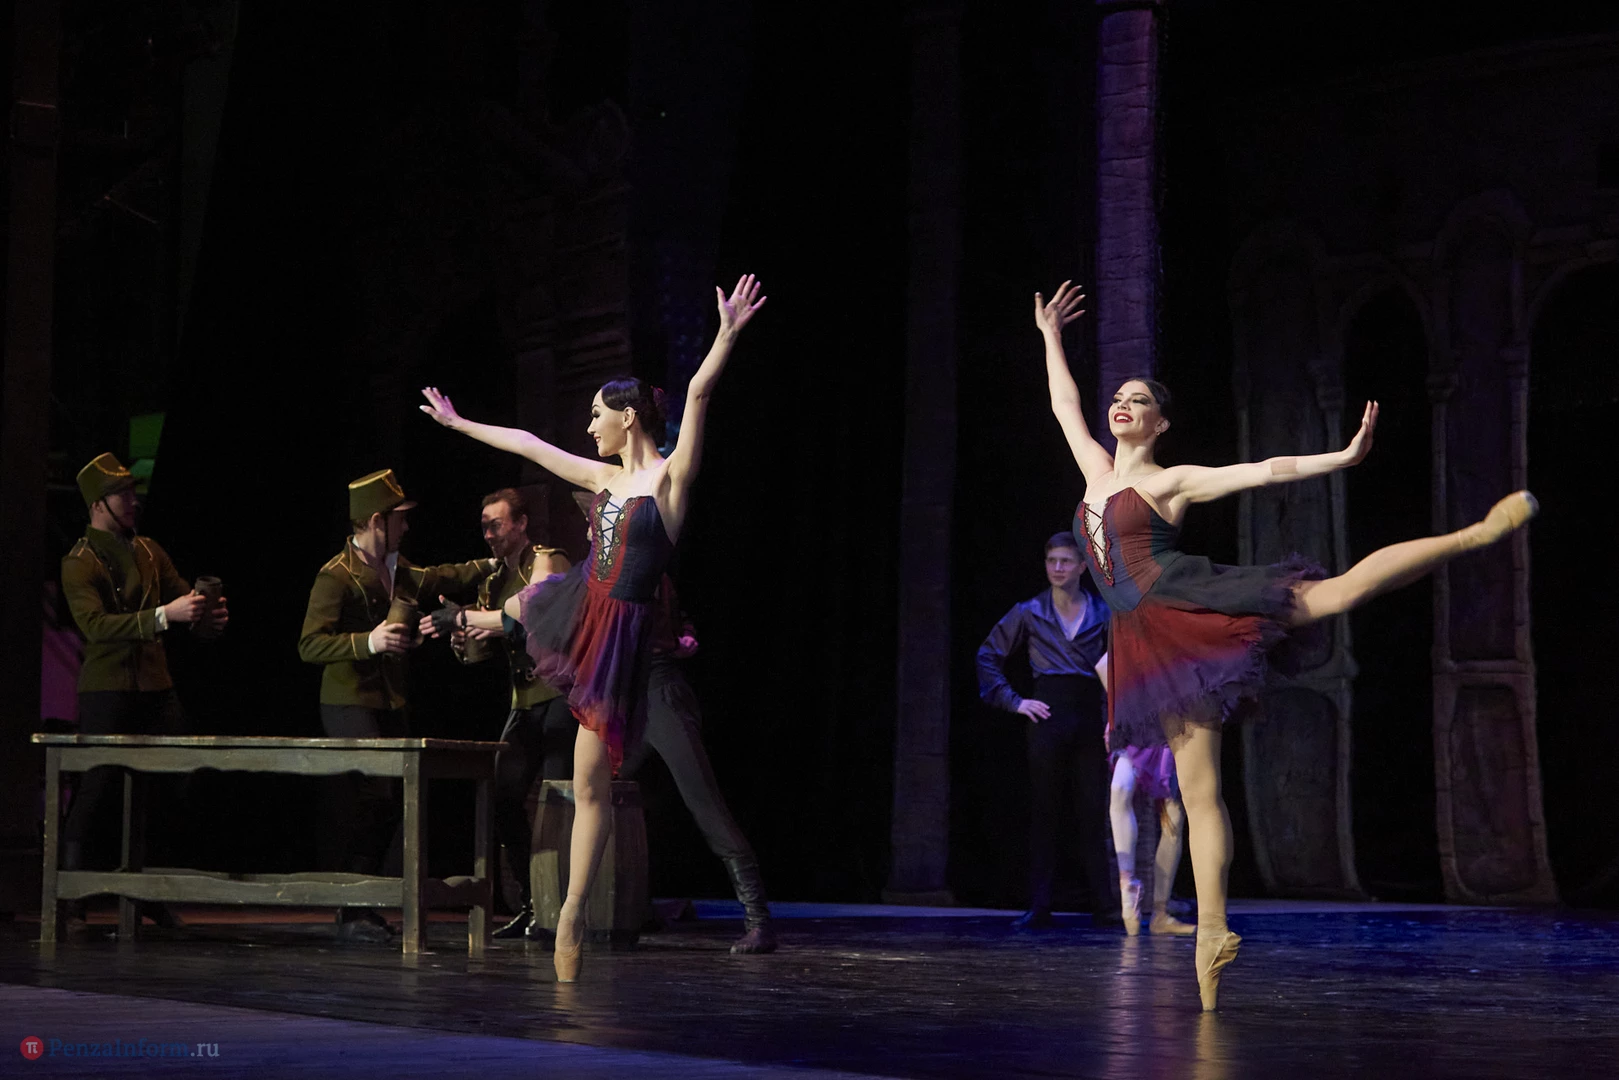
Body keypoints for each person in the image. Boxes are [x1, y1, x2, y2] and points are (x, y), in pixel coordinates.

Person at [1034, 279, 1538, 1009]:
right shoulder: (1092, 471)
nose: (1122, 405)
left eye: (1138, 401)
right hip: (1146, 642)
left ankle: (1472, 534)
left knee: (1337, 593)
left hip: (1187, 601)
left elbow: (1262, 472)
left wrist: (1340, 457)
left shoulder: (1173, 481)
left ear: (1160, 423)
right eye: (1118, 398)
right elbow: (1063, 404)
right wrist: (1050, 335)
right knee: (1198, 791)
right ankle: (1212, 934)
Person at [419, 273, 766, 980]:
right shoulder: (603, 482)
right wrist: (459, 425)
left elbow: (698, 393)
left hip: (632, 642)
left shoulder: (666, 482)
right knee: (586, 787)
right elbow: (527, 442)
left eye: (596, 415)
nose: (588, 427)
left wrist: (727, 333)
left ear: (628, 418)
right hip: (590, 627)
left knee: (643, 782)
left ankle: (628, 907)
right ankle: (573, 911)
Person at [297, 468, 494, 942]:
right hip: (349, 701)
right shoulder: (336, 575)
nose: (405, 526)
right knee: (372, 797)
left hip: (389, 699)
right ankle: (352, 908)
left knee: (392, 802)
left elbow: (446, 575)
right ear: (375, 521)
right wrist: (370, 641)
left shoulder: (397, 569)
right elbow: (309, 645)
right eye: (398, 518)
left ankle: (366, 902)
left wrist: (496, 563)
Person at [59, 453, 228, 930]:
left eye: (133, 493)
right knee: (97, 786)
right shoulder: (79, 561)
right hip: (108, 688)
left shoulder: (149, 551)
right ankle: (70, 893)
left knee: (175, 777)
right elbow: (95, 625)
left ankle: (147, 887)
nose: (132, 502)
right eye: (122, 495)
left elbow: (181, 599)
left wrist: (205, 615)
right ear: (98, 505)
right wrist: (163, 616)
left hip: (155, 685)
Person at [420, 488, 573, 940]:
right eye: (484, 526)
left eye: (497, 524)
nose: (489, 534)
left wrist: (466, 619)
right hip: (523, 701)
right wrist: (461, 639)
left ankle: (564, 909)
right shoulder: (493, 583)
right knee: (505, 797)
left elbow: (528, 614)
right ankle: (531, 903)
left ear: (521, 523)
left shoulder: (547, 560)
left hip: (561, 695)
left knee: (557, 803)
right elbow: (481, 650)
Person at [620, 576, 777, 953]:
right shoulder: (617, 569)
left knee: (705, 805)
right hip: (632, 700)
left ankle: (758, 920)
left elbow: (661, 627)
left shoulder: (641, 568)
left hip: (661, 697)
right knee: (609, 799)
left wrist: (679, 641)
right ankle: (631, 908)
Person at [977, 533, 1117, 930]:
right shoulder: (1030, 611)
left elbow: (1119, 666)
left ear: (1083, 567)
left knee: (1093, 812)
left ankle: (1104, 906)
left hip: (1089, 715)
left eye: (1065, 561)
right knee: (1044, 811)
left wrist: (1114, 718)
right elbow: (987, 656)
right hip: (1048, 715)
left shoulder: (1103, 612)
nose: (1057, 568)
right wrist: (1015, 701)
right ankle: (1039, 905)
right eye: (1051, 560)